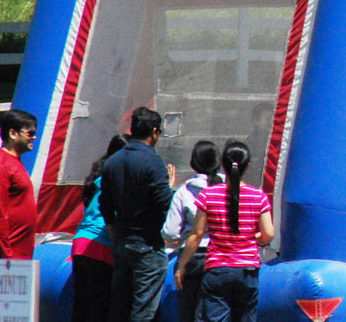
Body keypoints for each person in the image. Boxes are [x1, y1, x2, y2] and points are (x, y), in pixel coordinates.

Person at [174, 141, 274, 322]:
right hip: (247, 270)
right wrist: (252, 240)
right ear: (248, 165)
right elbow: (268, 234)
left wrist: (182, 265)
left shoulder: (208, 195)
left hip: (217, 269)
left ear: (222, 163)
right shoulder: (258, 196)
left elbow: (196, 235)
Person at [100, 107, 175, 322]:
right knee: (143, 310)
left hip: (122, 241)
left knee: (120, 304)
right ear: (154, 132)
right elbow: (164, 202)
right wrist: (169, 188)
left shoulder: (112, 161)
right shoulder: (152, 161)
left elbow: (105, 204)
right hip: (147, 244)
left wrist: (115, 234)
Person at [162, 140, 223, 322]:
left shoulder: (184, 191)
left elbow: (170, 232)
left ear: (193, 163)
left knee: (188, 313)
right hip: (221, 256)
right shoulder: (227, 188)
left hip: (191, 257)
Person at [71, 133, 130, 322]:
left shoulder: (96, 178)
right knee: (99, 305)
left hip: (81, 242)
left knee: (81, 303)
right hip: (101, 245)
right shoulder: (115, 180)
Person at [0, 109, 38, 259]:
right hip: (10, 257)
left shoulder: (16, 163)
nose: (34, 137)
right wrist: (6, 254)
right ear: (13, 134)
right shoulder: (3, 164)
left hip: (21, 254)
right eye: (30, 133)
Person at [243, 102, 273, 187]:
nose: (271, 122)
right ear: (256, 121)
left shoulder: (275, 141)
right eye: (268, 119)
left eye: (274, 119)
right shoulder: (250, 143)